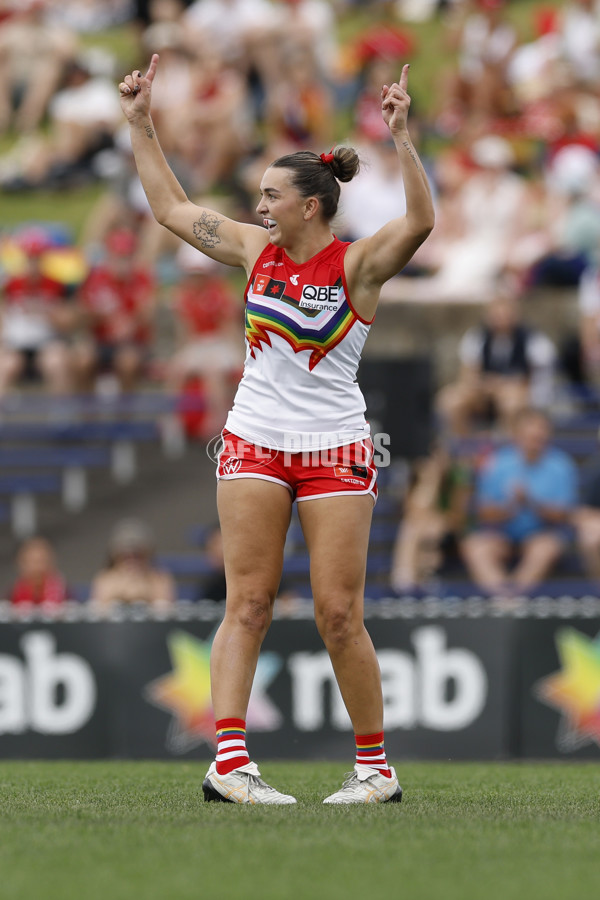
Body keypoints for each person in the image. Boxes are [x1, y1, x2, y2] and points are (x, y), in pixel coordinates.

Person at [119, 53, 434, 804]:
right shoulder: (254, 251)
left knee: (339, 614)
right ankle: (229, 765)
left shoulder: (358, 265)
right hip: (253, 440)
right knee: (248, 605)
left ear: (311, 207)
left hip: (336, 447)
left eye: (271, 195)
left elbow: (422, 221)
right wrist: (140, 123)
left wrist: (402, 137)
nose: (259, 206)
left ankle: (375, 771)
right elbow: (170, 209)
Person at [460, 407, 578, 597]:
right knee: (474, 546)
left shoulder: (561, 464)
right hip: (502, 536)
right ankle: (503, 598)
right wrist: (510, 506)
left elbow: (564, 515)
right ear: (517, 434)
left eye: (541, 429)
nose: (537, 434)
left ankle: (514, 597)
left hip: (540, 535)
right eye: (531, 430)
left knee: (545, 547)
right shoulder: (497, 462)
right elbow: (483, 512)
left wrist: (530, 502)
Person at [89, 517, 176, 614]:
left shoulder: (160, 577)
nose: (132, 560)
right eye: (125, 556)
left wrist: (143, 594)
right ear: (115, 556)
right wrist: (122, 595)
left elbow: (165, 611)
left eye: (138, 555)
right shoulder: (105, 578)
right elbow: (100, 611)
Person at [9, 535, 71, 607]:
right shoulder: (12, 595)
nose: (37, 568)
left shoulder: (65, 594)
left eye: (41, 561)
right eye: (32, 562)